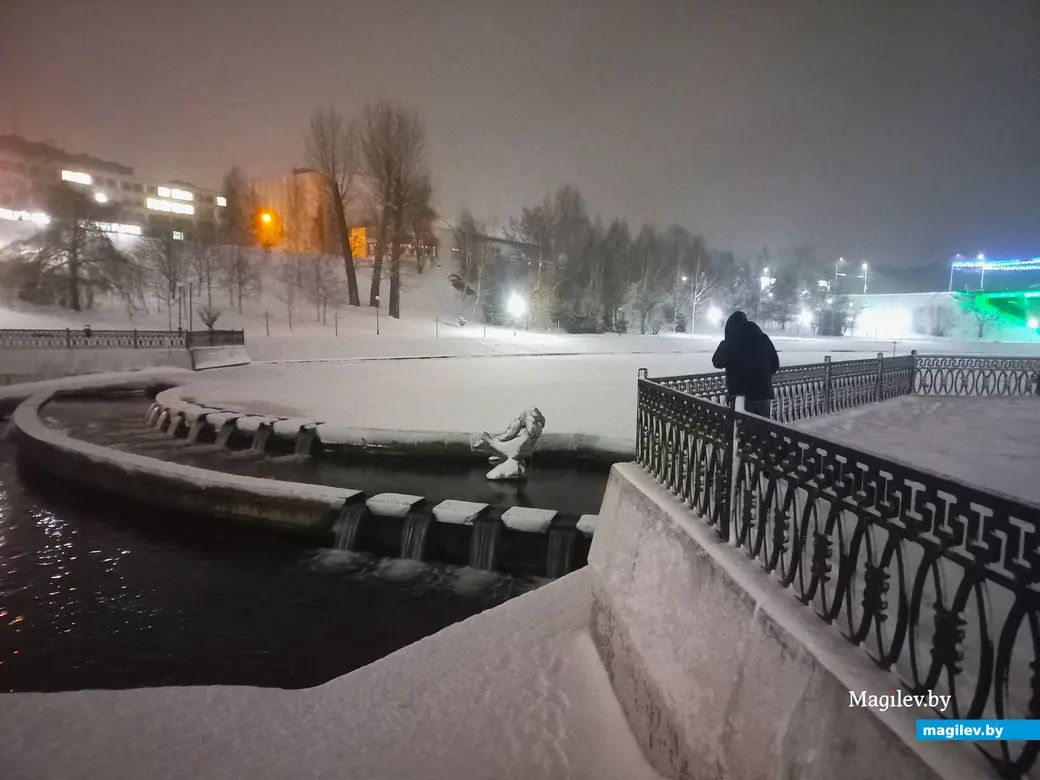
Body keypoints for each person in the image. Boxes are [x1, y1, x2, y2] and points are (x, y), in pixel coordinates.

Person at [711, 311, 779, 417]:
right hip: (763, 395)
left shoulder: (733, 341)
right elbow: (775, 365)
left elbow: (717, 362)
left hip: (741, 398)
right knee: (763, 428)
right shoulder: (763, 338)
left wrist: (724, 343)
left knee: (742, 429)